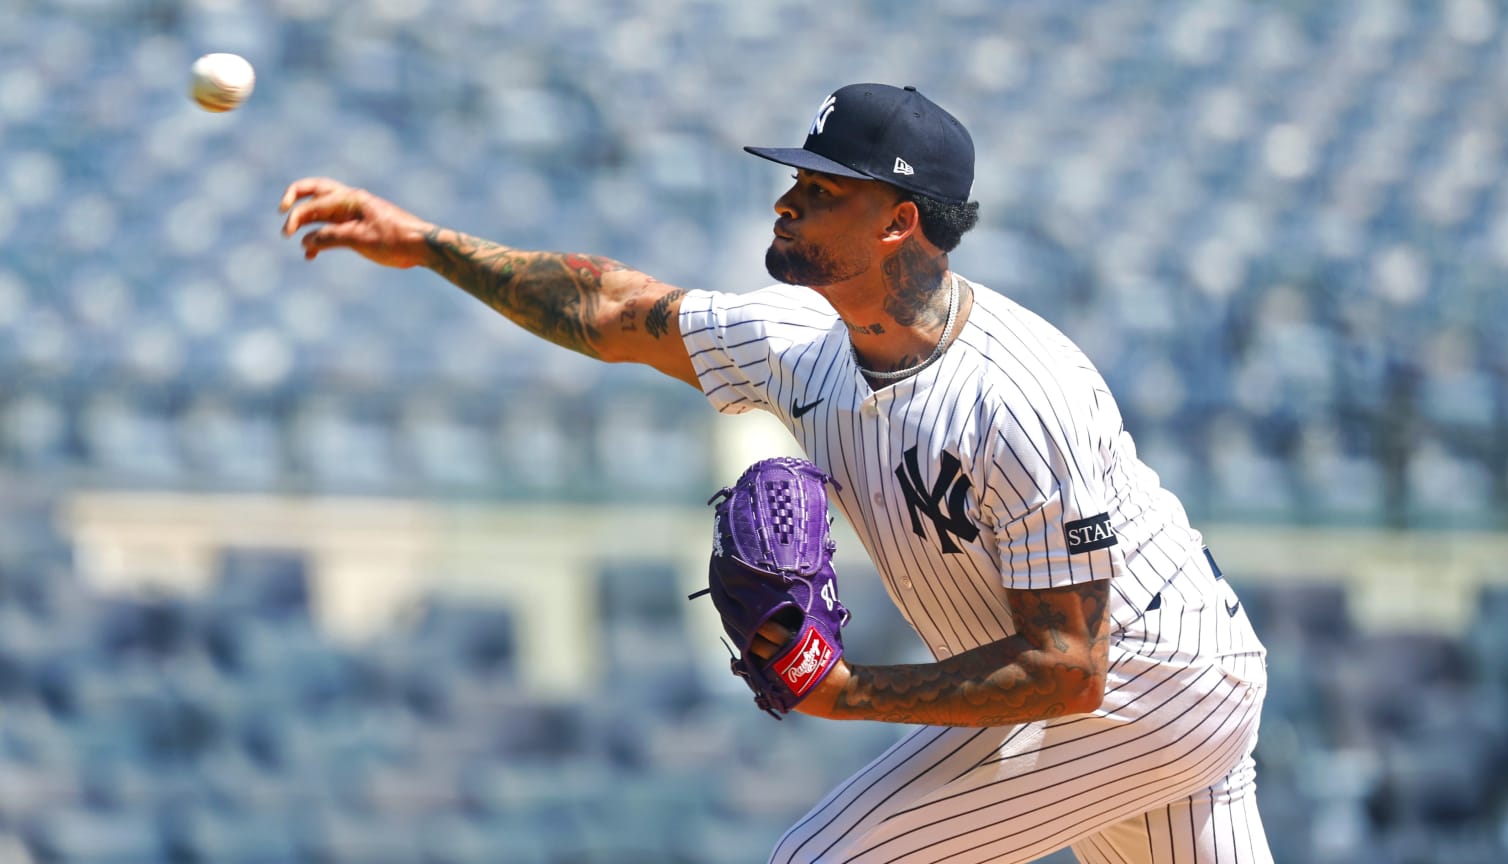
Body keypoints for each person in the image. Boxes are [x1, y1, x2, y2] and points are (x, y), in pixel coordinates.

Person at [280, 82, 1273, 864]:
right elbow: (612, 310)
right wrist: (426, 245)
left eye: (823, 190)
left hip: (1151, 681)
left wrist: (847, 691)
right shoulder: (798, 340)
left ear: (899, 222)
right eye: (797, 179)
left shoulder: (1015, 396)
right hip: (1146, 684)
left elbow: (1070, 668)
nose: (787, 202)